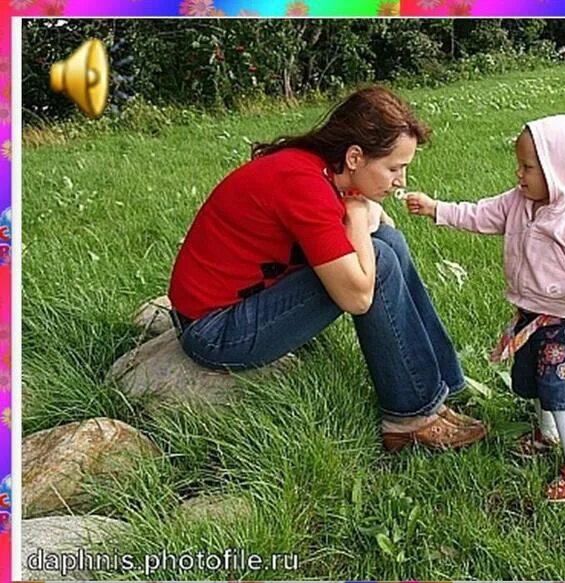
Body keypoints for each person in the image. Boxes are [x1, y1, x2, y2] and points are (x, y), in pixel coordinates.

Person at [167, 86, 486, 452]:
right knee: (376, 261)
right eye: (394, 168)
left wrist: (363, 207)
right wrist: (356, 212)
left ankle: (440, 384)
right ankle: (409, 418)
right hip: (215, 331)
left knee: (388, 244)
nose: (401, 181)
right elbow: (358, 297)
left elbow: (388, 231)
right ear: (354, 157)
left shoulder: (319, 168)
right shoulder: (303, 184)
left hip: (243, 302)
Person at [405, 114, 565, 502]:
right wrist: (438, 209)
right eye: (518, 165)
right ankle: (546, 434)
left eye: (529, 168)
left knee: (560, 392)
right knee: (533, 382)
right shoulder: (517, 202)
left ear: (558, 169)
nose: (519, 174)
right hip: (530, 317)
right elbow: (479, 214)